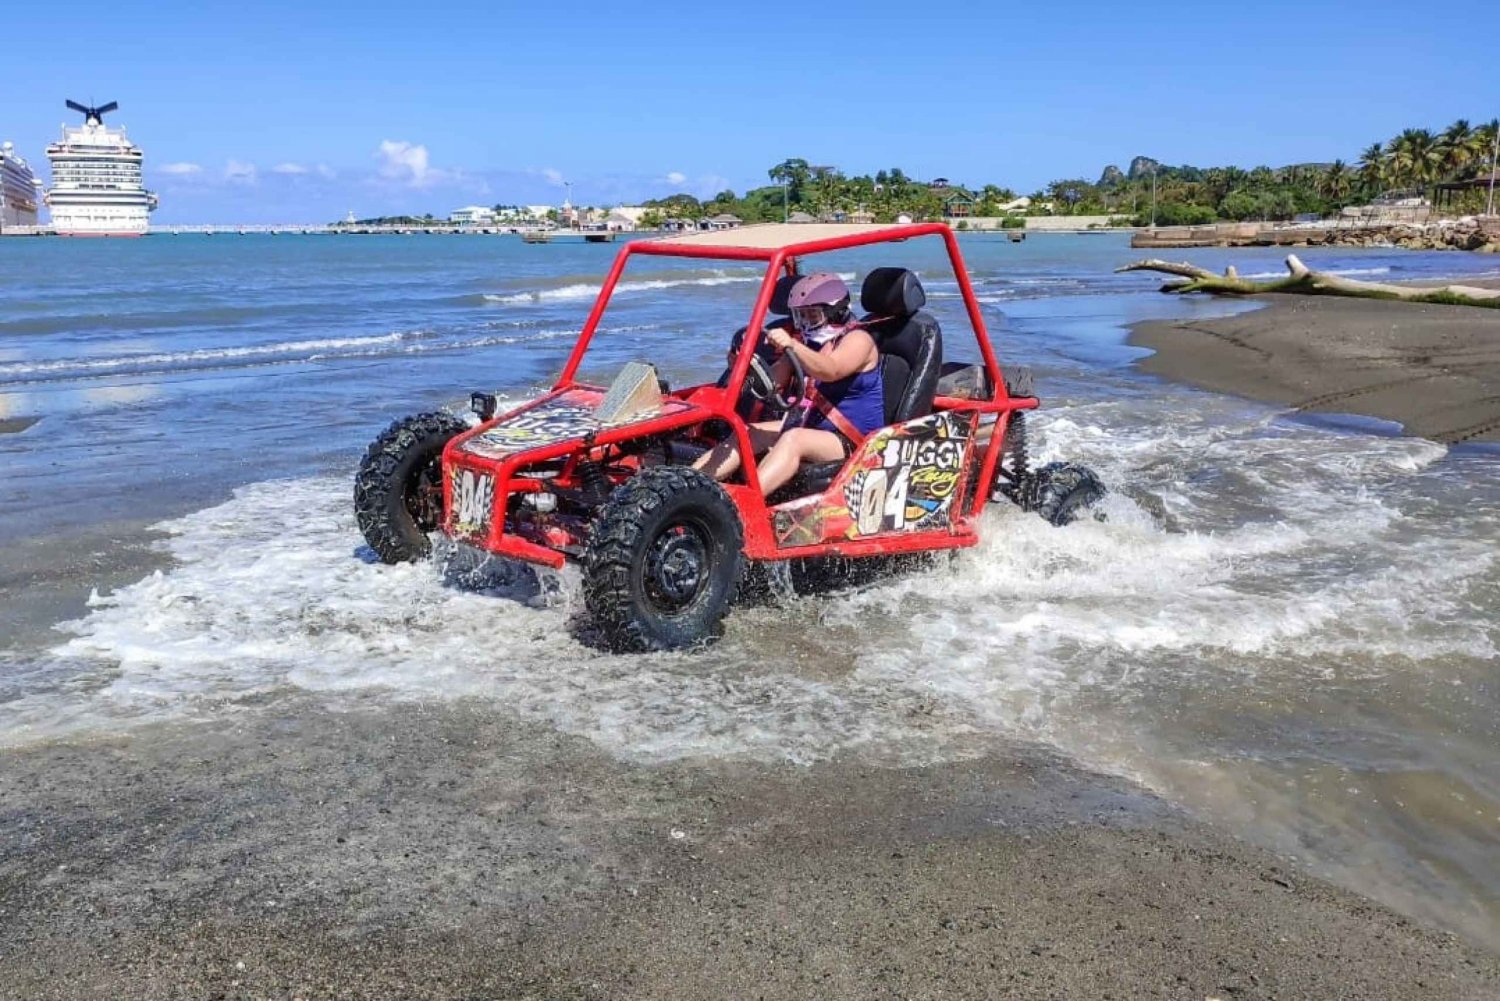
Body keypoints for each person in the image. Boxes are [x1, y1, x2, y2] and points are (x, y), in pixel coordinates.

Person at [695, 273, 884, 497]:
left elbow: (831, 370)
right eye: (800, 316)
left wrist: (792, 345)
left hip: (854, 440)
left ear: (836, 311)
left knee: (793, 439)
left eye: (811, 316)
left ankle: (742, 504)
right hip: (811, 424)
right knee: (747, 432)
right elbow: (771, 384)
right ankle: (690, 487)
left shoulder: (859, 339)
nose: (804, 324)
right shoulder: (808, 342)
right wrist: (744, 367)